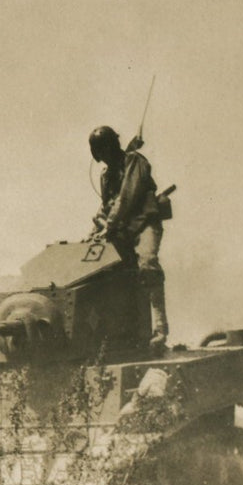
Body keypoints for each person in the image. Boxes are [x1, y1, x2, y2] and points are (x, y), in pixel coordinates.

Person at [89, 125, 168, 349]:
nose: (105, 155)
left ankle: (160, 329)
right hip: (121, 230)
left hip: (144, 224)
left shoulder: (134, 161)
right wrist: (97, 229)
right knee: (103, 271)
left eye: (107, 148)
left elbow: (127, 197)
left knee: (148, 263)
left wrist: (110, 223)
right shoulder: (106, 176)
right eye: (100, 151)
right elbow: (107, 206)